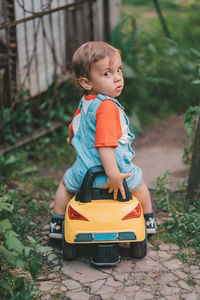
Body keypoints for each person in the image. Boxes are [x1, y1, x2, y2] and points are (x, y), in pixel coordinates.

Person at [49, 41, 156, 239]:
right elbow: (105, 145)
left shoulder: (86, 103)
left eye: (119, 70)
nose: (117, 78)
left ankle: (56, 223)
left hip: (84, 174)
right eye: (107, 73)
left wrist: (71, 139)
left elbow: (75, 125)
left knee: (65, 184)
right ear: (86, 82)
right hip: (115, 173)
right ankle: (148, 220)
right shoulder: (107, 107)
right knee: (140, 185)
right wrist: (114, 174)